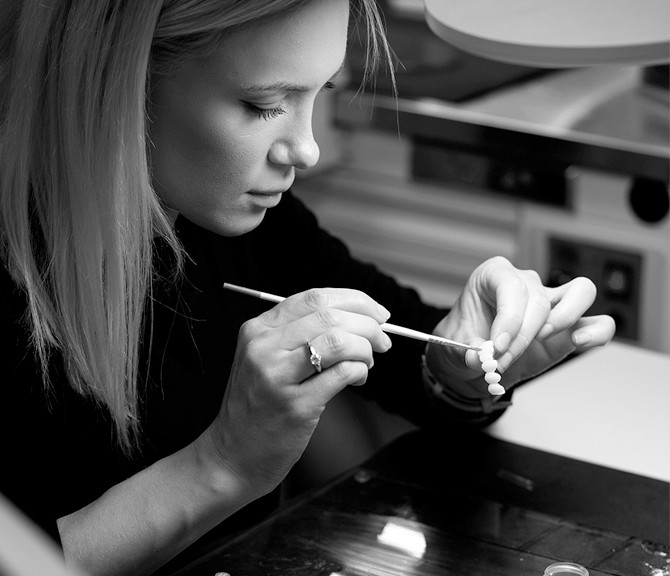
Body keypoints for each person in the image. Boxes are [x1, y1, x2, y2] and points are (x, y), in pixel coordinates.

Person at [0, 0, 616, 575]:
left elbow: (404, 354)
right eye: (267, 105)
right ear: (120, 83)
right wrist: (223, 465)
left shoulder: (234, 220)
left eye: (321, 92)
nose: (309, 149)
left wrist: (457, 371)